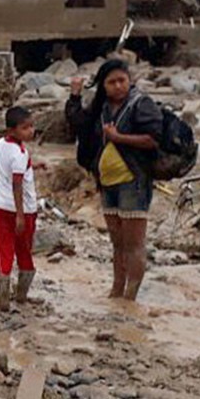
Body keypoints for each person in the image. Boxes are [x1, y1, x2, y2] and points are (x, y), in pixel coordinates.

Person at [66, 59, 163, 301]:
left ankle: (130, 297)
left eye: (122, 80)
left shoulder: (141, 104)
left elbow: (153, 139)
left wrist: (118, 137)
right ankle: (116, 292)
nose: (118, 86)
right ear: (103, 85)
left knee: (134, 244)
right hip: (107, 183)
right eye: (112, 82)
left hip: (133, 181)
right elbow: (78, 123)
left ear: (130, 80)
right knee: (117, 243)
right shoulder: (102, 107)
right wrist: (75, 96)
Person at [0, 106, 41, 311]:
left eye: (31, 126)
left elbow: (11, 170)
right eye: (25, 128)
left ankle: (3, 294)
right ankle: (21, 294)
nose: (31, 131)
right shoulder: (20, 153)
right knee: (24, 249)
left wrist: (34, 166)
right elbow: (17, 183)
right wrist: (20, 215)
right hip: (24, 209)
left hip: (1, 205)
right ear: (12, 130)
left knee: (4, 248)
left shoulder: (1, 144)